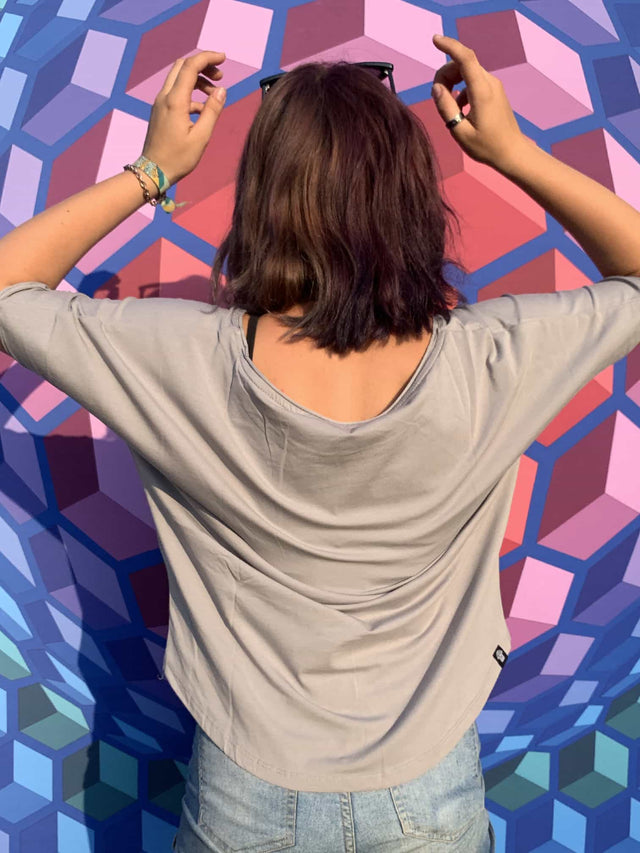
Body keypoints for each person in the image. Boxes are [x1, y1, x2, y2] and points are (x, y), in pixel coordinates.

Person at [0, 33, 639, 853]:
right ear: (411, 196)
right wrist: (512, 153)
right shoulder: (495, 358)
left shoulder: (178, 356)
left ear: (263, 196)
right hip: (430, 793)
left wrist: (153, 170)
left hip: (243, 792)